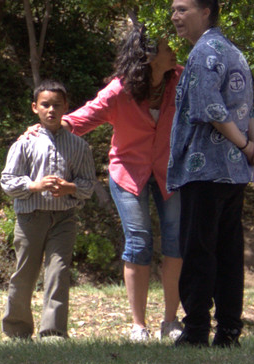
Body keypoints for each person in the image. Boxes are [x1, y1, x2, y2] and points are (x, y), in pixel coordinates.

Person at [59, 25, 185, 342]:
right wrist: (45, 129)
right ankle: (138, 326)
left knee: (176, 243)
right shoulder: (120, 90)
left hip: (171, 172)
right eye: (167, 47)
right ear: (148, 55)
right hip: (129, 173)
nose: (174, 51)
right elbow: (81, 118)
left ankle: (171, 322)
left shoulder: (182, 80)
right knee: (139, 242)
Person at [166, 0, 254, 348]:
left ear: (206, 11)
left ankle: (195, 331)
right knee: (228, 253)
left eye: (183, 9)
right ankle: (228, 331)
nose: (175, 17)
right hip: (233, 174)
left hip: (205, 169)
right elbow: (249, 109)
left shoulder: (202, 53)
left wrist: (246, 146)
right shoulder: (234, 52)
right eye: (174, 10)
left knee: (198, 251)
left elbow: (211, 109)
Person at [0, 80, 97, 339]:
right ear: (35, 108)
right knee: (25, 274)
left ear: (66, 107)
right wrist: (34, 185)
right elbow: (7, 181)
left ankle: (53, 331)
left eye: (56, 105)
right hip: (30, 217)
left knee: (59, 271)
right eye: (45, 105)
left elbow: (89, 185)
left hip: (64, 218)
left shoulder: (79, 146)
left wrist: (70, 187)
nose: (51, 110)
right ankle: (17, 330)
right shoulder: (25, 143)